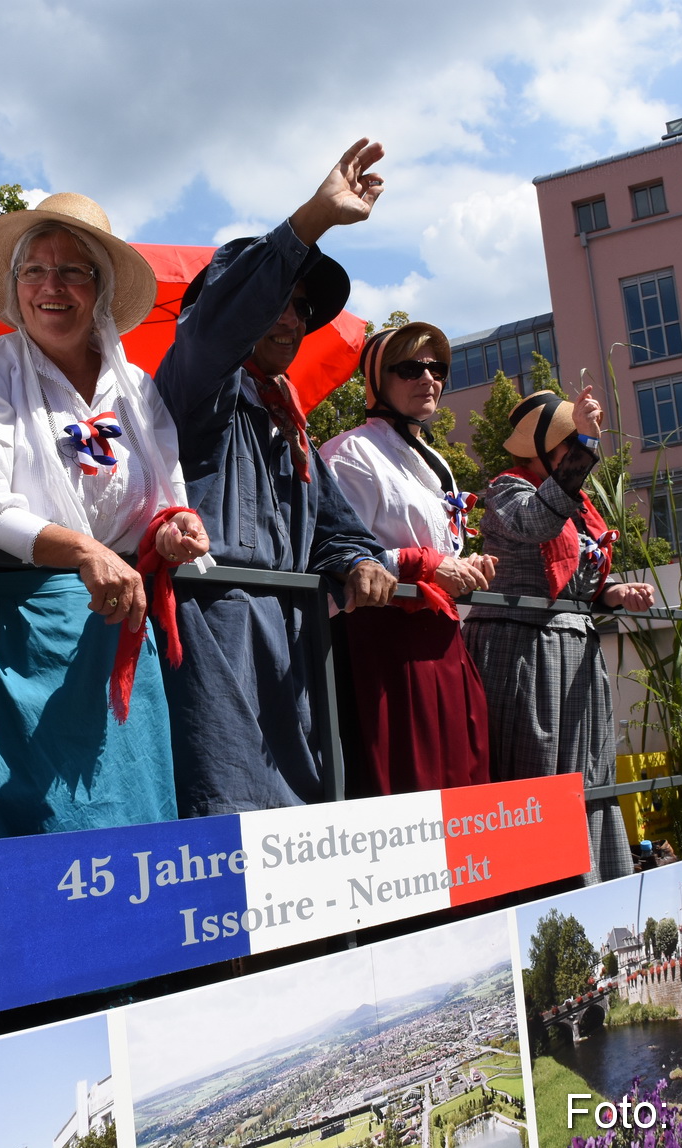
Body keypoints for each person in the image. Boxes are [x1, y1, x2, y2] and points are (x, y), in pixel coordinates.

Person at [0, 194, 204, 840]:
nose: (53, 287)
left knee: (135, 819)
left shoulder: (136, 390)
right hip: (16, 637)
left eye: (74, 270)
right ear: (16, 287)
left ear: (100, 289)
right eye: (35, 271)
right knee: (36, 826)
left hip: (118, 635)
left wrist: (171, 529)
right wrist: (82, 549)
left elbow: (160, 495)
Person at [153, 140, 396, 815]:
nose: (290, 318)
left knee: (296, 841)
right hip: (213, 638)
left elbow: (336, 529)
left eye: (299, 306)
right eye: (274, 301)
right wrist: (310, 222)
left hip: (291, 652)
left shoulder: (290, 418)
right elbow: (213, 333)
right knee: (222, 832)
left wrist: (358, 561)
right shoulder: (196, 384)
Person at [463, 385, 656, 883]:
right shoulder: (508, 489)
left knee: (588, 771)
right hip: (524, 645)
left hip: (576, 645)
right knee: (537, 770)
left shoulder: (578, 501)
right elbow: (535, 525)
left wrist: (613, 591)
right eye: (568, 441)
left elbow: (579, 574)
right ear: (546, 448)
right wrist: (588, 446)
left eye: (579, 441)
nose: (577, 450)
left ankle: (590, 882)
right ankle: (535, 892)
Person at [317, 323, 494, 794]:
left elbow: (439, 548)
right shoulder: (351, 453)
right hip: (382, 645)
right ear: (378, 380)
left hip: (441, 641)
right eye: (410, 367)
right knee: (403, 785)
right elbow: (335, 551)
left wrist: (464, 566)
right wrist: (425, 565)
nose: (429, 378)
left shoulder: (435, 462)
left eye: (437, 368)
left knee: (458, 784)